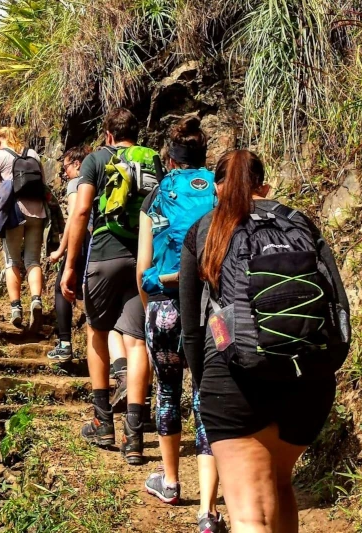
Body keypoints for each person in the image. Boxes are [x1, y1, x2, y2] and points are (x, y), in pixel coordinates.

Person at [180, 150, 349, 533]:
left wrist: (203, 381)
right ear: (265, 187)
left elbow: (191, 327)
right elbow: (338, 302)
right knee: (280, 484)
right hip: (309, 375)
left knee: (250, 515)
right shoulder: (298, 222)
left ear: (217, 189)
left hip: (234, 379)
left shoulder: (206, 227)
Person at [136, 117, 225, 531]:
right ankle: (208, 510)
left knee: (168, 392)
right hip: (209, 309)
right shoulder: (219, 191)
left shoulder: (156, 196)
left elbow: (142, 268)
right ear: (204, 156)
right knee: (206, 397)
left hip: (165, 307)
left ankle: (170, 482)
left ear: (169, 158)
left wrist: (150, 306)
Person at [60, 108, 150, 465]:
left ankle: (102, 422)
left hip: (104, 255)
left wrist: (70, 265)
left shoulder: (96, 159)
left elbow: (81, 211)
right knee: (137, 339)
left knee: (97, 330)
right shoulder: (153, 160)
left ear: (108, 135)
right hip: (145, 256)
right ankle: (136, 437)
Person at [0, 127, 48, 332]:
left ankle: (16, 309)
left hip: (14, 215)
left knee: (12, 260)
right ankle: (36, 300)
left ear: (0, 139)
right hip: (37, 213)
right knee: (33, 261)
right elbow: (44, 186)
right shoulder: (33, 154)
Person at [47, 145, 91, 361]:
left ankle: (65, 344)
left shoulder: (77, 182)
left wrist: (61, 251)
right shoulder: (100, 179)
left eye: (65, 168)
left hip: (82, 240)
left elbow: (75, 218)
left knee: (61, 288)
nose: (64, 174)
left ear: (77, 164)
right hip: (101, 242)